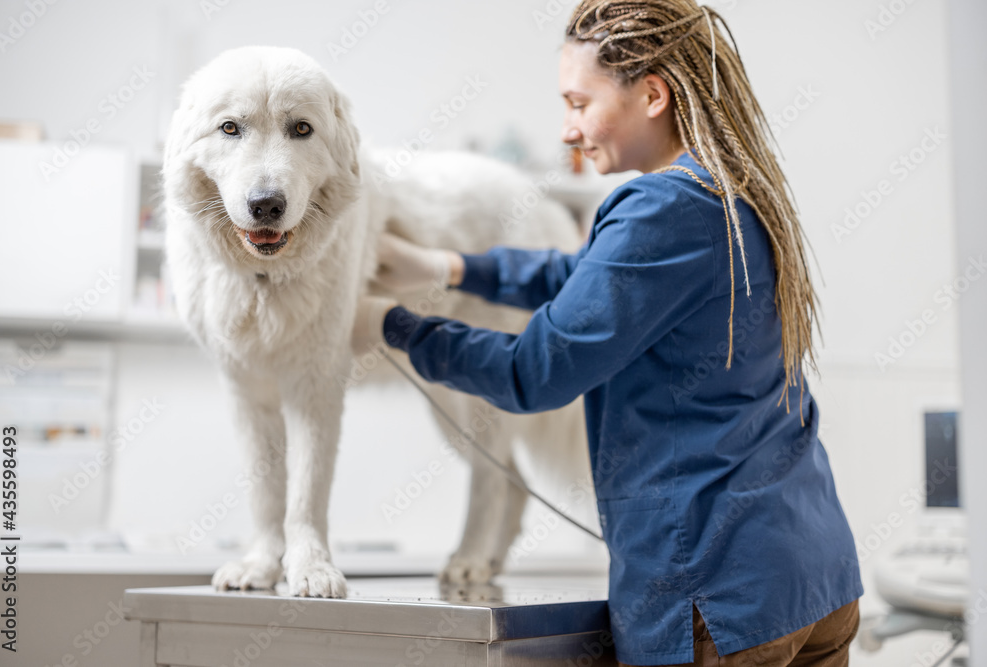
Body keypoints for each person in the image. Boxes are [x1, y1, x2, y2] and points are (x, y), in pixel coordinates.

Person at [352, 1, 863, 665]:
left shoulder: (659, 206)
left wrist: (392, 325)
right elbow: (593, 278)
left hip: (718, 597)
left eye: (578, 103)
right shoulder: (736, 193)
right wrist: (451, 267)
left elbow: (530, 374)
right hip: (812, 578)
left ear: (652, 95)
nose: (568, 130)